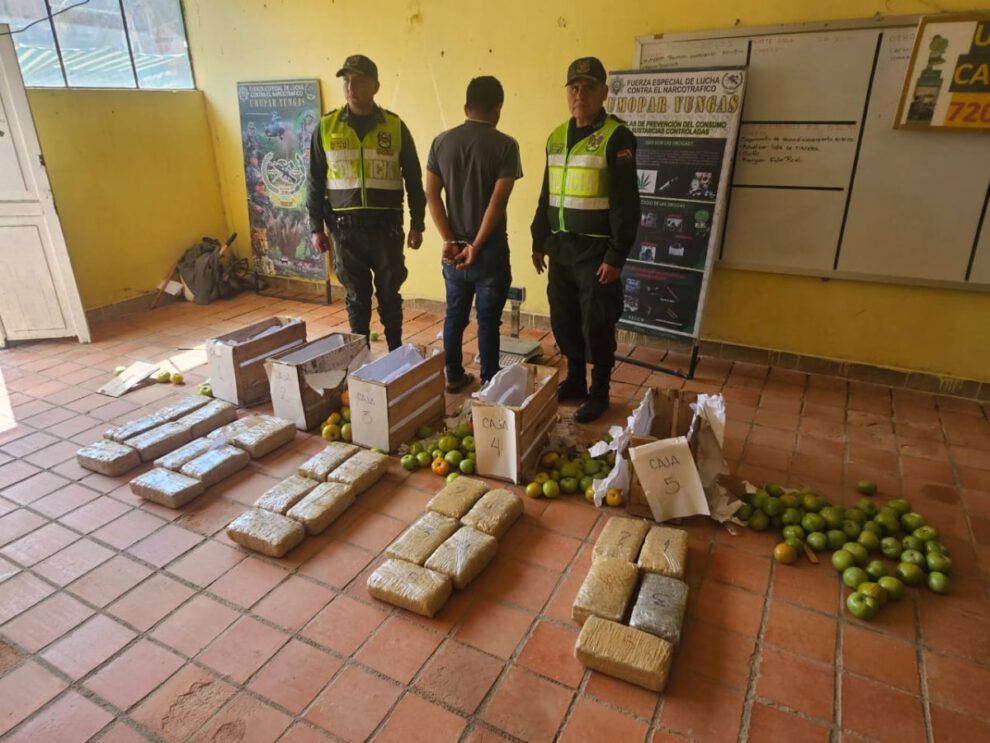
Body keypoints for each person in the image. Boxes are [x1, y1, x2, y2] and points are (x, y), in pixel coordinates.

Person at [531, 56, 640, 423]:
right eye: (574, 88)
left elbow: (627, 203)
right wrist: (538, 239)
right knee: (564, 318)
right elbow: (547, 192)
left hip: (597, 252)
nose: (580, 94)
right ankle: (575, 380)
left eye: (589, 88)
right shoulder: (556, 136)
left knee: (597, 322)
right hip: (562, 248)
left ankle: (600, 391)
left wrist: (617, 255)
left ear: (603, 93)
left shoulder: (616, 137)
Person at [307, 54, 426, 350]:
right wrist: (315, 227)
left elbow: (413, 178)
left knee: (389, 295)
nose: (351, 87)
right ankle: (359, 355)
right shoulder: (326, 127)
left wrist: (418, 223)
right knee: (357, 298)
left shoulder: (396, 127)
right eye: (346, 81)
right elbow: (314, 180)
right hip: (345, 231)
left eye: (359, 81)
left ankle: (396, 352)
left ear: (376, 86)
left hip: (387, 230)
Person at [425, 77, 523, 392]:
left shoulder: (441, 142)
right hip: (489, 250)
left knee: (455, 315)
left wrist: (450, 240)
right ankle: (489, 383)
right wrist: (477, 246)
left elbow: (431, 195)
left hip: (454, 252)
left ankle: (453, 376)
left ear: (466, 108)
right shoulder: (506, 146)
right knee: (488, 321)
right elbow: (499, 201)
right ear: (498, 110)